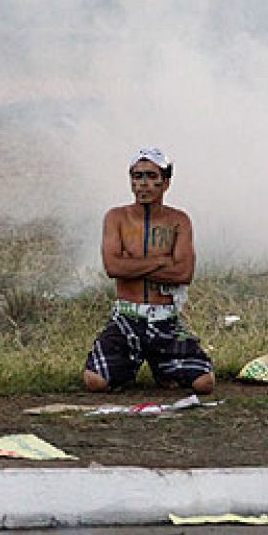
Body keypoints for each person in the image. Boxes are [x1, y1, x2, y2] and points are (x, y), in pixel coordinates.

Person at [83, 149, 215, 394]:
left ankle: (164, 368)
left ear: (165, 183)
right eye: (136, 176)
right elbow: (113, 267)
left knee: (204, 382)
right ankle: (127, 369)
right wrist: (162, 261)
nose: (143, 184)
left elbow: (183, 273)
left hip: (165, 319)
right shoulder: (116, 218)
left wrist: (132, 264)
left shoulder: (179, 221)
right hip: (127, 318)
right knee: (95, 381)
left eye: (151, 176)